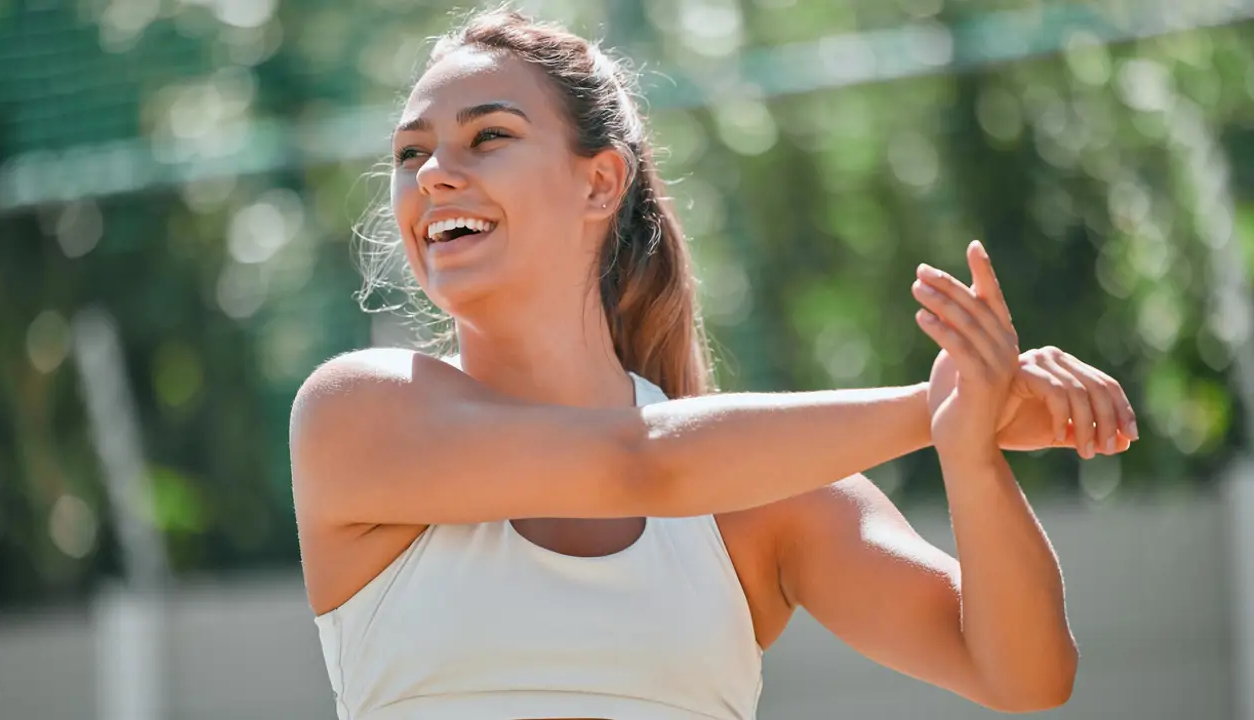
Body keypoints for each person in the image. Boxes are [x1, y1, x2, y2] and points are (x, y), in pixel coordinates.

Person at [290, 8, 1137, 720]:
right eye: (411, 153)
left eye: (489, 137)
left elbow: (1023, 676)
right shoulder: (357, 412)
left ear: (599, 184)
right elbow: (641, 463)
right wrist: (943, 405)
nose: (435, 173)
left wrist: (972, 452)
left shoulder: (766, 488)